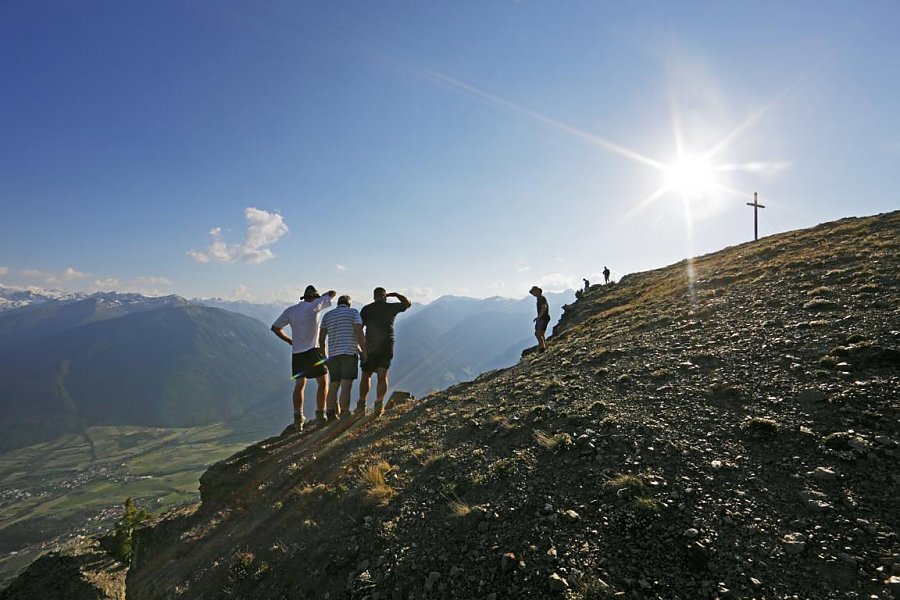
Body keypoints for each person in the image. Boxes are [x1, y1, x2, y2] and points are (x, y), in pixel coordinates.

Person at [271, 285, 336, 432]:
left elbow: (275, 327)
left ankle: (298, 419)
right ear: (314, 297)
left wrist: (289, 340)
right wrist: (321, 297)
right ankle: (321, 415)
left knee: (299, 386)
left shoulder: (291, 310)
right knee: (323, 383)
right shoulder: (316, 305)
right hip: (313, 350)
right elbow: (333, 293)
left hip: (297, 353)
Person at [358, 288, 411, 416]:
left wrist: (361, 349)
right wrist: (396, 294)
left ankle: (361, 406)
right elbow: (407, 303)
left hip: (370, 344)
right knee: (382, 376)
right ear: (384, 296)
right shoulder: (390, 307)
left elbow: (359, 329)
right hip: (387, 344)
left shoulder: (366, 309)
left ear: (374, 296)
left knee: (366, 375)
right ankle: (379, 406)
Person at [318, 295, 367, 422]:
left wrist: (324, 357)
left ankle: (330, 412)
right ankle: (345, 413)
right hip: (349, 354)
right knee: (346, 385)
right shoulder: (353, 313)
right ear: (349, 304)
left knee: (333, 385)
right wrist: (364, 351)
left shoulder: (327, 316)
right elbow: (358, 332)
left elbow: (321, 340)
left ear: (338, 303)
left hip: (333, 355)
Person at [529, 285, 550, 352]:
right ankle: (543, 347)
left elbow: (544, 307)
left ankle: (542, 348)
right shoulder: (541, 298)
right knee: (541, 334)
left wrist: (538, 317)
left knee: (537, 333)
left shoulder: (541, 298)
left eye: (533, 292)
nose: (533, 294)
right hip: (545, 317)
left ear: (537, 291)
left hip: (543, 318)